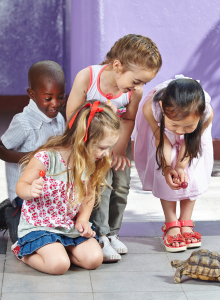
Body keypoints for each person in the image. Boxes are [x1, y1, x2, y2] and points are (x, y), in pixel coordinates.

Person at [66, 34, 162, 261]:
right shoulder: (88, 78)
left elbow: (128, 120)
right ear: (117, 66)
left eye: (143, 83)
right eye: (136, 81)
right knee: (101, 187)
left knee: (121, 186)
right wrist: (95, 143)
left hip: (118, 144)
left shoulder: (133, 92)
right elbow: (72, 116)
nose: (138, 87)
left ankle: (113, 232)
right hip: (92, 146)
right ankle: (100, 234)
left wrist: (119, 148)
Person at [12, 100, 120, 274]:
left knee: (94, 259)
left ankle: (58, 250)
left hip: (67, 226)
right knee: (58, 266)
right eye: (102, 147)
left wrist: (82, 220)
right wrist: (30, 191)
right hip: (40, 227)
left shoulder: (90, 163)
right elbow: (21, 186)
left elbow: (88, 196)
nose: (106, 153)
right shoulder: (47, 158)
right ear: (83, 139)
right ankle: (22, 251)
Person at [0, 60, 66, 244]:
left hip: (48, 190)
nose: (55, 104)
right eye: (48, 98)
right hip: (25, 192)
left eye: (61, 97)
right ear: (32, 94)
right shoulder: (23, 123)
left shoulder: (58, 119)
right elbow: (0, 150)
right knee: (24, 241)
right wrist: (31, 158)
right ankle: (11, 209)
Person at [133, 75, 213, 252]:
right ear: (162, 108)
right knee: (164, 175)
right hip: (161, 135)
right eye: (175, 125)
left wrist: (181, 166)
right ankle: (171, 223)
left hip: (192, 143)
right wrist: (168, 167)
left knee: (190, 172)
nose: (180, 131)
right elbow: (163, 141)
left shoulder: (206, 112)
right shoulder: (151, 108)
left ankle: (186, 222)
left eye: (187, 126)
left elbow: (190, 141)